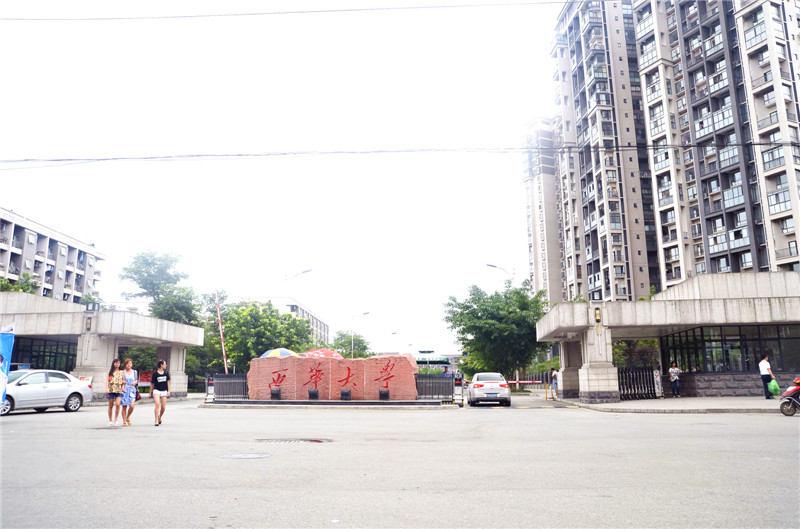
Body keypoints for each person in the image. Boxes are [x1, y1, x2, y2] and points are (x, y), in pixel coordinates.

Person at [120, 358, 139, 426]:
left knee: (132, 406)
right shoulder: (123, 372)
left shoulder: (135, 372)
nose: (129, 365)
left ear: (132, 364)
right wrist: (122, 386)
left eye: (130, 363)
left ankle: (128, 417)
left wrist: (135, 382)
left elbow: (136, 380)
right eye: (127, 363)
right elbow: (122, 381)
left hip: (132, 390)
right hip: (125, 389)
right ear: (125, 365)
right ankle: (124, 421)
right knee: (124, 406)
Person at [151, 360, 171, 426]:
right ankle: (156, 420)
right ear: (161, 365)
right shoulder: (155, 374)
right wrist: (150, 393)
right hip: (156, 390)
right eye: (165, 364)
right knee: (157, 404)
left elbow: (168, 382)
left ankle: (160, 417)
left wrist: (168, 391)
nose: (166, 365)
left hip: (164, 391)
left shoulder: (166, 373)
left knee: (163, 407)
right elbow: (152, 383)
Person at [105, 359, 124, 426]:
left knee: (118, 404)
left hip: (119, 390)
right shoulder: (110, 371)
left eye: (118, 363)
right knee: (111, 405)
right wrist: (107, 388)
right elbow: (107, 381)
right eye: (116, 363)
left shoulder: (122, 372)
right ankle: (110, 420)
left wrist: (123, 387)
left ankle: (116, 419)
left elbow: (123, 381)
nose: (117, 364)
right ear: (113, 364)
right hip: (111, 389)